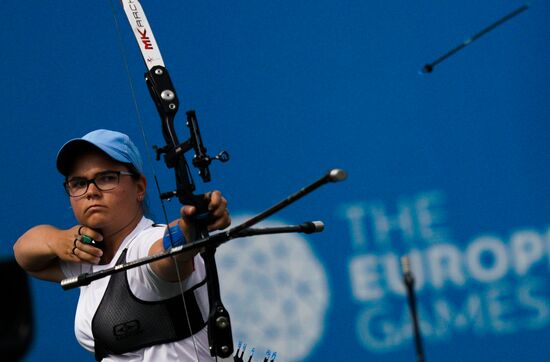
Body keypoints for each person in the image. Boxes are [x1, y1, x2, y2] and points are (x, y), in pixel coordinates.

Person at [13, 129, 230, 361]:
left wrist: (191, 226)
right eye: (78, 183)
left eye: (107, 178)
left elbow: (169, 253)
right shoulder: (87, 256)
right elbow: (24, 253)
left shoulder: (145, 243)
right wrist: (57, 240)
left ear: (139, 188)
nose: (91, 192)